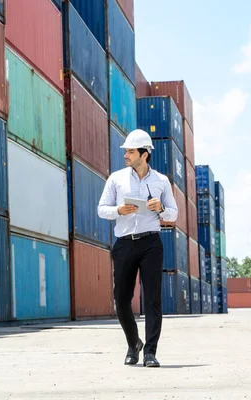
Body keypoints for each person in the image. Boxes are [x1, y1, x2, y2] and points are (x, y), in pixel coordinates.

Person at [97, 129, 178, 368]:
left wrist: (160, 208)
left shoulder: (161, 181)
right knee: (121, 298)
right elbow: (102, 209)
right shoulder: (116, 179)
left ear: (145, 154)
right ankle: (134, 344)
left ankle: (150, 353)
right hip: (124, 243)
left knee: (153, 299)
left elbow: (174, 214)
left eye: (131, 151)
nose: (126, 155)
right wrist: (118, 211)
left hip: (151, 243)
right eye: (126, 151)